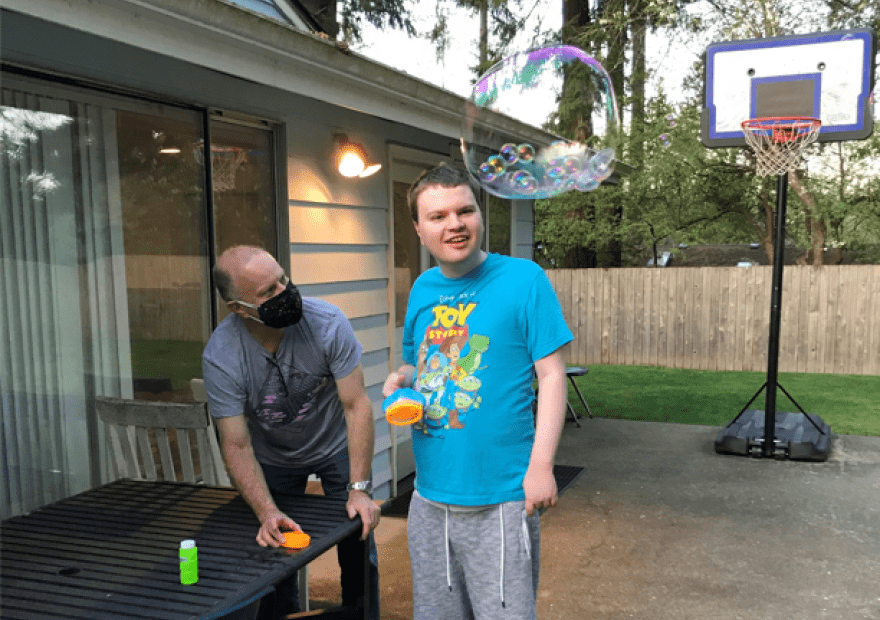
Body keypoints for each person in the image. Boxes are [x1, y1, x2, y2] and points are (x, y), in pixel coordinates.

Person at [382, 163, 573, 620]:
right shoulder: (423, 289)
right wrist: (402, 378)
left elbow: (551, 376)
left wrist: (541, 467)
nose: (455, 225)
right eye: (438, 216)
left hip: (501, 498)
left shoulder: (524, 280)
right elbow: (421, 363)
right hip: (429, 496)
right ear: (418, 227)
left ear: (480, 215)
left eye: (464, 211)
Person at [202, 245, 381, 620]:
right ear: (238, 308)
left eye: (283, 280)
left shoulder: (328, 322)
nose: (285, 293)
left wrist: (360, 488)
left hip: (335, 446)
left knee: (357, 539)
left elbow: (356, 405)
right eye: (268, 293)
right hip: (274, 456)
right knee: (276, 547)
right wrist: (267, 510)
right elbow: (235, 442)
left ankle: (364, 614)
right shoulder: (222, 354)